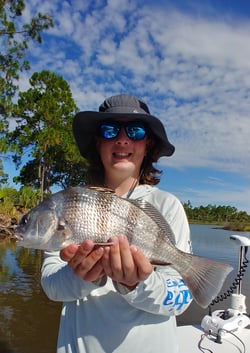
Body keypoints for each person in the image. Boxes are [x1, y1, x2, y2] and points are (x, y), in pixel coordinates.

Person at [41, 94, 193, 353]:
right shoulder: (67, 205)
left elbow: (181, 300)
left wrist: (137, 284)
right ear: (98, 142)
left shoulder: (167, 206)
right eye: (110, 130)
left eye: (135, 130)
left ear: (148, 144)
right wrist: (79, 276)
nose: (122, 138)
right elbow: (51, 286)